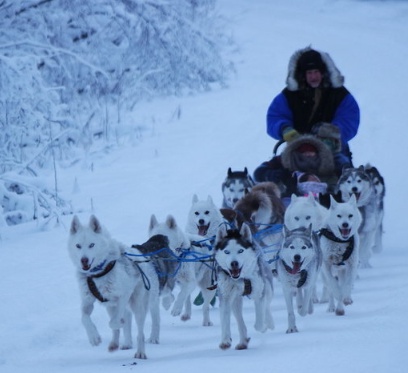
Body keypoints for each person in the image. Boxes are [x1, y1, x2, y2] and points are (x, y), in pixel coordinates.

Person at [254, 46, 360, 193]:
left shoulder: (339, 95)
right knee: (273, 174)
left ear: (323, 73)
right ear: (302, 75)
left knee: (344, 175)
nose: (313, 76)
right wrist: (284, 128)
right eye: (309, 73)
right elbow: (275, 116)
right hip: (298, 148)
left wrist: (332, 132)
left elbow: (349, 118)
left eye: (316, 72)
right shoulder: (289, 95)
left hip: (333, 149)